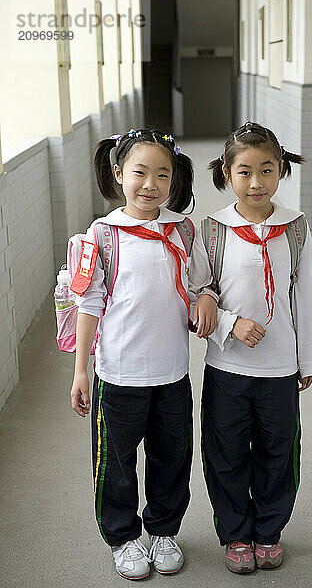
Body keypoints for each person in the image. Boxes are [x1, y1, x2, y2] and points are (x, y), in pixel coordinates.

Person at [70, 128, 217, 581]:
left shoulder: (182, 229)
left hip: (172, 373)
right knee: (115, 463)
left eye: (162, 174)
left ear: (174, 181)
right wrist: (80, 372)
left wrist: (207, 295)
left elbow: (200, 282)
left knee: (171, 457)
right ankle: (124, 538)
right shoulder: (104, 233)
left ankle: (163, 531)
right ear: (118, 174)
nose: (150, 184)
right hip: (117, 375)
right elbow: (89, 302)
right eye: (139, 172)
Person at [201, 121, 312, 574]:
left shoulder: (295, 227)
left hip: (280, 369)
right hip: (227, 367)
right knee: (226, 451)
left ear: (281, 171)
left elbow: (303, 295)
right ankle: (235, 534)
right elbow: (197, 294)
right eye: (245, 171)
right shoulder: (214, 230)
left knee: (278, 450)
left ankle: (268, 531)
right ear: (227, 174)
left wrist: (306, 358)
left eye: (267, 170)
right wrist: (231, 324)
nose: (256, 182)